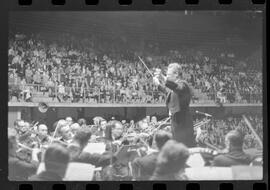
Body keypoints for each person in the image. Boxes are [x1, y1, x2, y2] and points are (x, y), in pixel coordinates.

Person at [153, 63, 194, 147]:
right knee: (177, 144)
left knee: (183, 146)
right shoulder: (175, 88)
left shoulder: (183, 84)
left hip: (183, 122)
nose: (167, 76)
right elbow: (168, 92)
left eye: (168, 74)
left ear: (176, 74)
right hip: (175, 120)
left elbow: (177, 88)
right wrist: (158, 84)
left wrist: (163, 78)